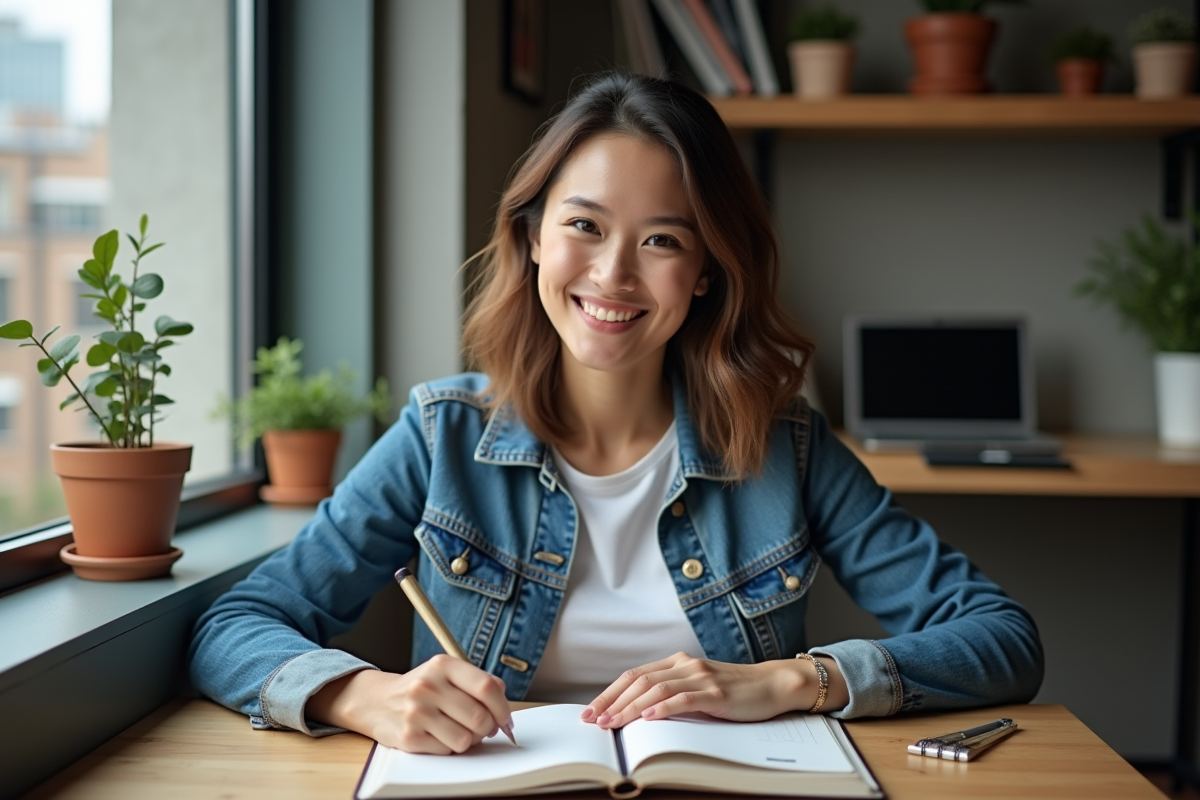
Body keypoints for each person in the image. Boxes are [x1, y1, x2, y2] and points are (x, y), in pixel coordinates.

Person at [189, 72, 1043, 756]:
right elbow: (234, 626)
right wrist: (362, 694)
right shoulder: (440, 436)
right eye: (584, 226)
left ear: (707, 270)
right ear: (531, 237)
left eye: (663, 240)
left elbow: (1003, 639)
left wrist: (790, 681)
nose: (614, 275)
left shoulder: (788, 449)